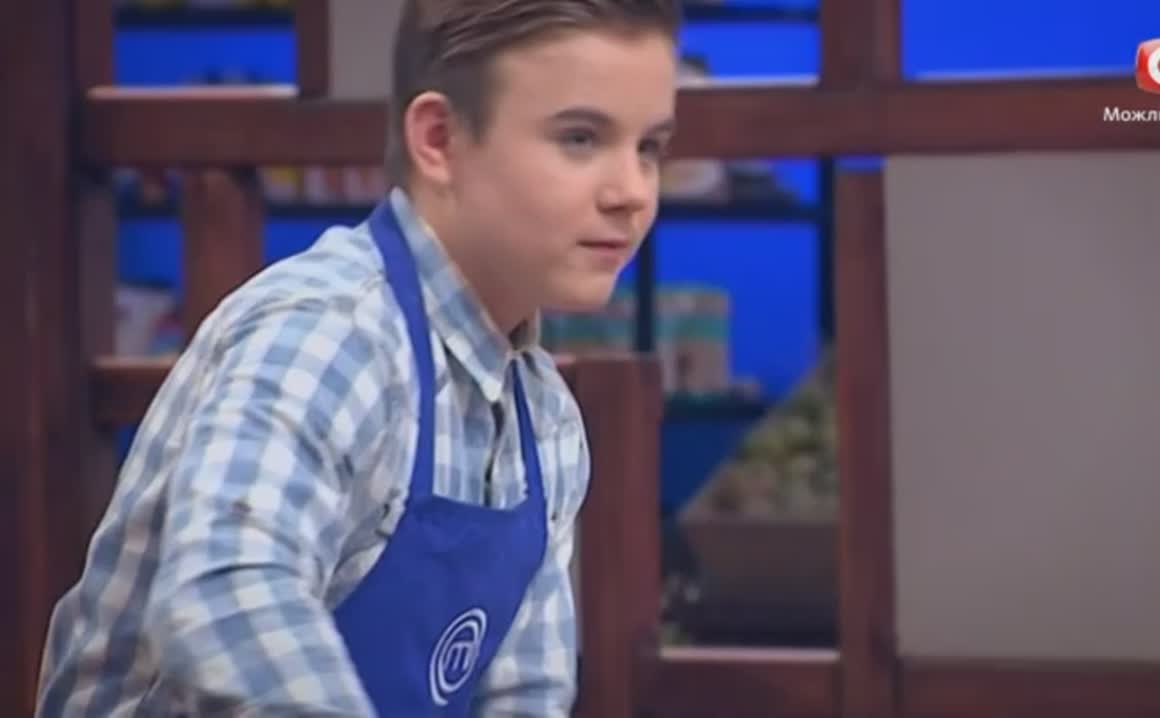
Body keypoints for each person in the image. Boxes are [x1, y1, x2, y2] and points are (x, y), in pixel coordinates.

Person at [35, 0, 679, 714]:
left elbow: (525, 694)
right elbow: (228, 590)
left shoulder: (546, 422)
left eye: (649, 147)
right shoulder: (330, 334)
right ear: (439, 140)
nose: (631, 193)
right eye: (581, 139)